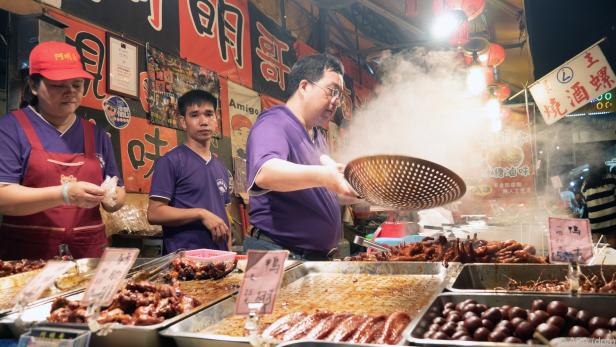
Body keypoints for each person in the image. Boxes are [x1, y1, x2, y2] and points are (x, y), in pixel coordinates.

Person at [0, 41, 125, 259]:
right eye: (59, 85)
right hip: (28, 257)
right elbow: (3, 197)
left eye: (77, 85)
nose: (71, 92)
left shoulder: (97, 135)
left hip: (89, 256)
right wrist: (64, 194)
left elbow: (118, 188)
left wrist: (112, 199)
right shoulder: (11, 128)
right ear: (33, 85)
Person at [244, 53, 357, 260]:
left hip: (310, 257)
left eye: (339, 96)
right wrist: (325, 175)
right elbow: (265, 172)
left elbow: (320, 191)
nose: (335, 101)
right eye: (332, 91)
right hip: (277, 254)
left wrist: (356, 189)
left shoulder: (317, 136)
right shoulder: (275, 121)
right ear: (304, 86)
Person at [147, 90, 231, 253]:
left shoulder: (221, 168)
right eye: (194, 115)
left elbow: (223, 212)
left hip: (220, 258)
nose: (203, 121)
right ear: (182, 122)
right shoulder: (170, 161)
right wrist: (200, 214)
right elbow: (154, 213)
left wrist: (229, 249)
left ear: (216, 120)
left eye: (209, 114)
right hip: (185, 261)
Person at [581, 157, 616, 247]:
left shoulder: (586, 183)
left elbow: (585, 200)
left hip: (595, 219)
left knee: (597, 240)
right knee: (611, 238)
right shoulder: (611, 178)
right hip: (611, 218)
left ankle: (599, 259)